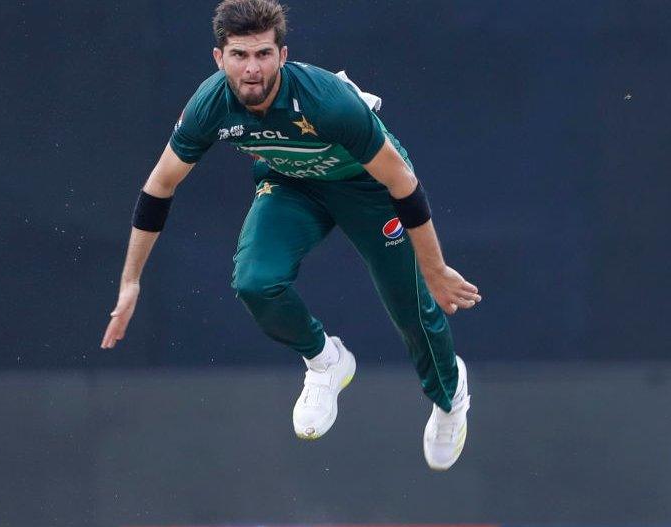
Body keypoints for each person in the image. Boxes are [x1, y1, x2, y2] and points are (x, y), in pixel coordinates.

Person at [101, 0, 481, 470]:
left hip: (367, 187)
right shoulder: (210, 105)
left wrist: (436, 268)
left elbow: (402, 181)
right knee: (254, 281)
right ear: (219, 59)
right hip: (292, 184)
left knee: (410, 306)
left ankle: (449, 396)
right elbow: (159, 186)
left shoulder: (326, 101)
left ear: (283, 55)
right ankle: (326, 361)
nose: (252, 69)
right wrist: (131, 279)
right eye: (239, 56)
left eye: (263, 54)